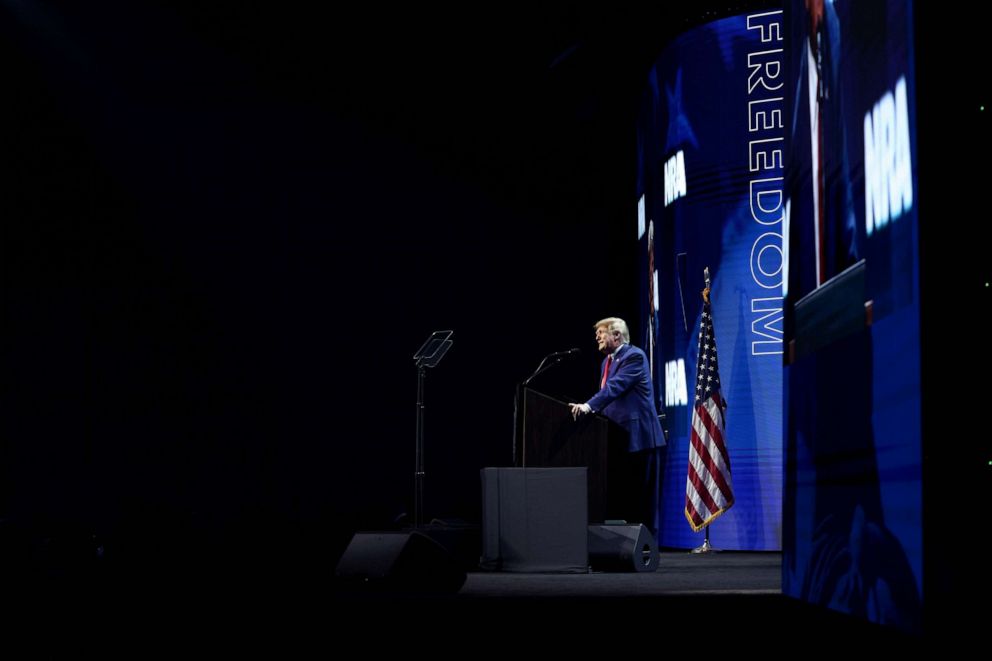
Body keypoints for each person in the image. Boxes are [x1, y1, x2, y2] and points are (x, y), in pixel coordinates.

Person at [569, 317, 666, 535]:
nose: (597, 337)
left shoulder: (634, 357)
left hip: (639, 437)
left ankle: (645, 543)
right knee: (623, 493)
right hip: (616, 436)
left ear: (617, 335)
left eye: (601, 333)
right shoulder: (607, 362)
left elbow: (615, 387)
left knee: (640, 495)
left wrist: (587, 406)